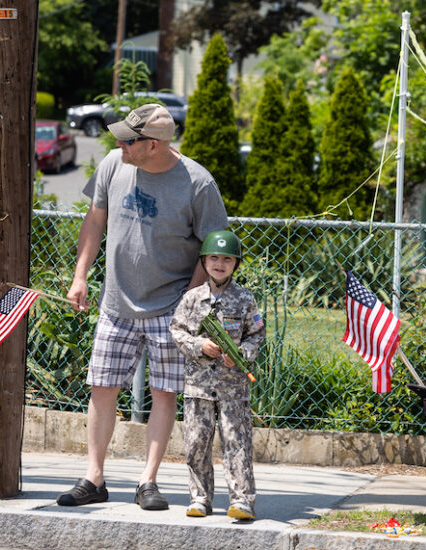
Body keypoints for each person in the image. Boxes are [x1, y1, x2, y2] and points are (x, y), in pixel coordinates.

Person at [56, 104, 229, 509]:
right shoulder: (115, 164)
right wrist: (80, 275)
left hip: (170, 308)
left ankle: (147, 481)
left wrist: (188, 306)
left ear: (152, 145)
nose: (118, 144)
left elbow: (212, 250)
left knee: (164, 393)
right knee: (102, 388)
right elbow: (95, 220)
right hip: (115, 303)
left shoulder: (198, 183)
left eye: (128, 140)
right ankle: (93, 478)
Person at [169, 230, 265, 520]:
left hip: (233, 388)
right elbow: (176, 331)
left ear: (236, 263)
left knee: (237, 442)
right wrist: (200, 346)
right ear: (204, 261)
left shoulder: (245, 299)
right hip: (198, 387)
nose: (219, 264)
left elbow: (256, 335)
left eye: (226, 259)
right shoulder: (191, 299)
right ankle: (199, 499)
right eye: (213, 258)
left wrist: (240, 356)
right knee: (197, 443)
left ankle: (242, 501)